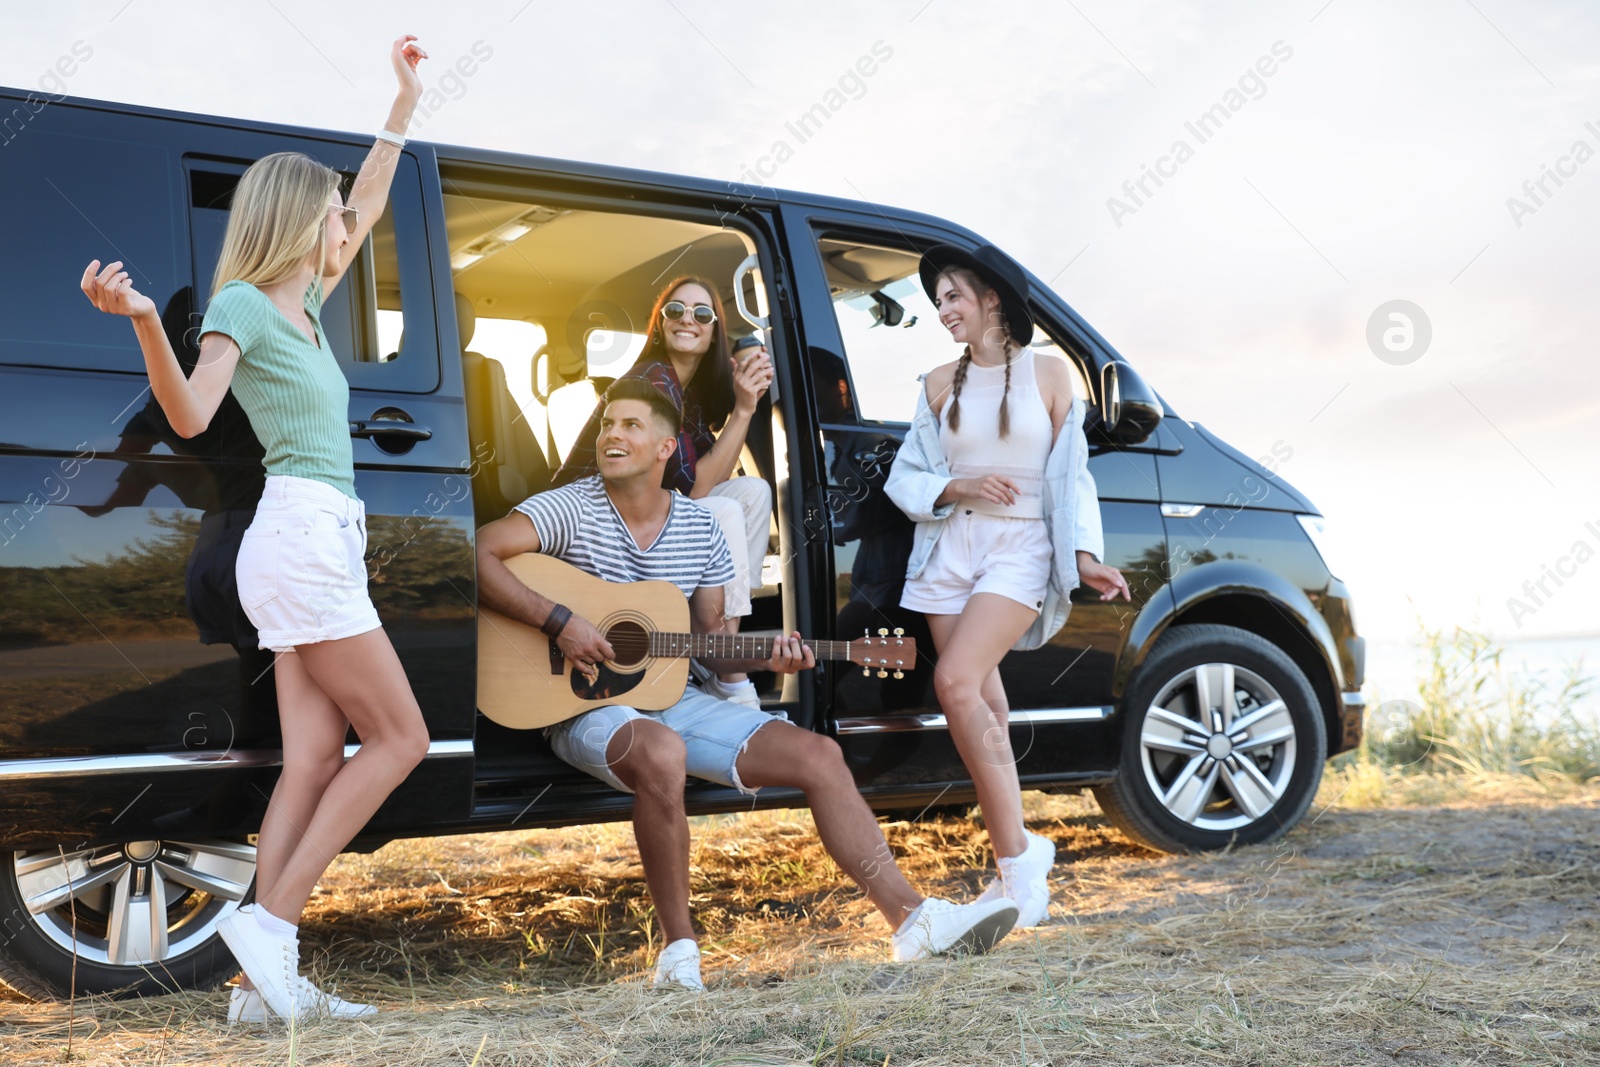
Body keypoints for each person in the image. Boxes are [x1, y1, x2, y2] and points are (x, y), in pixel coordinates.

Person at [78, 37, 431, 1025]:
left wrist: (401, 103)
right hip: (300, 537)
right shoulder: (242, 303)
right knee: (400, 735)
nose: (346, 223)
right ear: (295, 216)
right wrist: (147, 317)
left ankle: (260, 988)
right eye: (330, 212)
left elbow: (370, 188)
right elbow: (189, 415)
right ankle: (270, 926)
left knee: (314, 757)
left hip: (317, 541)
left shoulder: (309, 302)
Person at [478, 378, 1021, 989]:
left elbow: (714, 652)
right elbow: (478, 554)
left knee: (819, 753)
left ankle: (914, 922)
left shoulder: (701, 529)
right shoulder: (569, 507)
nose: (612, 435)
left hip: (671, 696)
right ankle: (680, 956)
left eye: (631, 425)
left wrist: (768, 659)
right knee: (663, 751)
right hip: (580, 705)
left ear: (666, 447)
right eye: (608, 424)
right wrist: (561, 621)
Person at [884, 244, 1132, 929]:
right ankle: (1016, 864)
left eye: (954, 297)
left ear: (992, 297)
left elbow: (1072, 474)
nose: (944, 312)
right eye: (938, 303)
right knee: (983, 705)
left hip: (1020, 544)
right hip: (948, 548)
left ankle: (1020, 867)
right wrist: (956, 485)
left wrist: (1081, 554)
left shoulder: (1050, 375)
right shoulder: (936, 383)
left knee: (957, 684)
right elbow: (905, 478)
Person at [555, 277, 773, 708]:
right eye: (675, 311)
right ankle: (726, 670)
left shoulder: (686, 391)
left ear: (714, 332)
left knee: (753, 491)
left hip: (641, 514)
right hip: (596, 520)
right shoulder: (654, 380)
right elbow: (696, 489)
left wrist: (739, 400)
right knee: (725, 512)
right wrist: (745, 409)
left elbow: (712, 472)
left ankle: (716, 652)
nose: (687, 319)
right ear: (659, 325)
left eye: (701, 313)